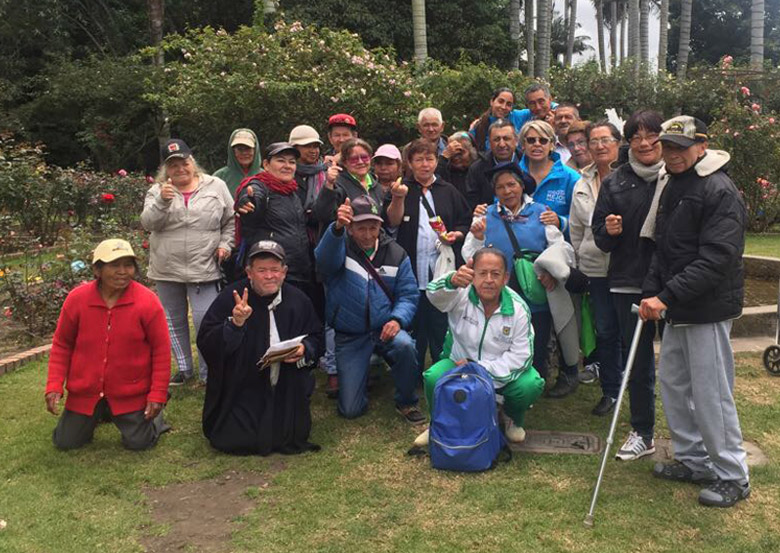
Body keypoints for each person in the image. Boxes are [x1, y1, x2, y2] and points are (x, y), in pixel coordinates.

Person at [639, 116, 750, 508]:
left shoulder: (719, 190)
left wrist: (666, 296)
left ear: (701, 146)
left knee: (711, 394)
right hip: (677, 307)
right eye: (667, 147)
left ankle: (733, 475)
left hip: (705, 308)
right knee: (673, 385)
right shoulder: (673, 184)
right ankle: (694, 460)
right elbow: (664, 246)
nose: (672, 154)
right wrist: (652, 290)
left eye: (680, 148)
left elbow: (716, 259)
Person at [198, 240, 324, 455]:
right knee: (234, 440)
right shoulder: (231, 297)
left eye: (275, 270)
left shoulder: (298, 299)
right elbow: (207, 342)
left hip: (286, 383)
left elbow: (317, 338)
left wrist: (304, 348)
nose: (269, 276)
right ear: (249, 272)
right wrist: (235, 324)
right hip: (244, 385)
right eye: (262, 270)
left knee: (290, 435)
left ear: (284, 272)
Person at [45, 239, 171, 450]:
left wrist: (157, 394)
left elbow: (161, 351)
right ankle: (102, 411)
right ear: (97, 270)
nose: (123, 271)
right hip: (85, 391)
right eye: (114, 265)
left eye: (128, 265)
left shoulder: (148, 302)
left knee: (140, 443)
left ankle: (153, 418)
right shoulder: (76, 299)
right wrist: (54, 385)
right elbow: (62, 345)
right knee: (65, 442)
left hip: (130, 391)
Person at [592, 109, 666, 460]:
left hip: (674, 284)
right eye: (636, 137)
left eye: (651, 135)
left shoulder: (677, 175)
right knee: (637, 363)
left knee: (684, 363)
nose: (644, 142)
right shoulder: (615, 182)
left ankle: (694, 434)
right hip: (627, 282)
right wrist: (610, 231)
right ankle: (643, 431)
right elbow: (600, 238)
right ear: (628, 143)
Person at [416, 248, 545, 446]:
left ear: (506, 278)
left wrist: (479, 368)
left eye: (495, 274)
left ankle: (512, 418)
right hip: (457, 363)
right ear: (472, 274)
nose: (488, 280)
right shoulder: (460, 293)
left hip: (496, 369)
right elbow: (433, 296)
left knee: (530, 384)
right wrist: (451, 281)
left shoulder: (518, 309)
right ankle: (438, 422)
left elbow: (522, 356)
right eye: (482, 273)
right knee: (433, 377)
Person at [461, 162, 571, 394]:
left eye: (511, 185)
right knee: (499, 339)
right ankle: (498, 384)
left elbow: (559, 247)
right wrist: (479, 237)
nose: (507, 191)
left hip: (534, 288)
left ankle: (532, 385)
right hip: (497, 293)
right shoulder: (484, 216)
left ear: (521, 186)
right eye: (500, 187)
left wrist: (551, 272)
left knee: (537, 338)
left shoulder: (542, 212)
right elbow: (469, 255)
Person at [315, 195, 423, 423]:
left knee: (405, 346)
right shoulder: (339, 246)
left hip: (385, 328)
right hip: (350, 335)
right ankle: (361, 379)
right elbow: (323, 262)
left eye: (372, 227)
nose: (367, 234)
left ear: (380, 226)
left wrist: (397, 320)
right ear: (350, 228)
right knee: (350, 410)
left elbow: (409, 294)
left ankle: (406, 400)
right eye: (360, 228)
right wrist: (335, 229)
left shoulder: (396, 253)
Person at [141, 138, 235, 386]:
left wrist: (226, 244)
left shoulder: (216, 186)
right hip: (166, 268)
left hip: (204, 266)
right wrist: (162, 201)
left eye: (184, 162)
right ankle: (184, 369)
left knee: (206, 320)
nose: (180, 168)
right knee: (173, 320)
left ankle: (209, 370)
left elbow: (231, 221)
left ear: (192, 162)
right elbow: (148, 223)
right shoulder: (157, 191)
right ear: (166, 169)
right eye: (173, 165)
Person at [385, 139, 472, 373]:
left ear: (436, 160)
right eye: (419, 159)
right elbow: (391, 222)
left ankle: (442, 372)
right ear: (410, 163)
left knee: (440, 325)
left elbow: (466, 220)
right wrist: (397, 198)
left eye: (430, 158)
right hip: (411, 270)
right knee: (414, 326)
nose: (425, 164)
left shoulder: (448, 190)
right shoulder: (401, 188)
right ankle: (411, 374)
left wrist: (458, 233)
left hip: (441, 271)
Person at [569, 121, 622, 415]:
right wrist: (580, 259)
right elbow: (576, 230)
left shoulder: (632, 178)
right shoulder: (582, 182)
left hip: (628, 267)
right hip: (595, 267)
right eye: (594, 141)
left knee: (630, 331)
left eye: (606, 139)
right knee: (605, 330)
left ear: (617, 142)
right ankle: (611, 391)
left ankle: (637, 385)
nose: (600, 146)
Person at [235, 142, 315, 299]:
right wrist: (247, 201)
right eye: (281, 160)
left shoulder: (292, 191)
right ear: (266, 164)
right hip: (271, 275)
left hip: (297, 272)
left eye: (291, 162)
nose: (287, 166)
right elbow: (252, 197)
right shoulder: (259, 186)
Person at [518, 120, 580, 239]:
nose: (537, 144)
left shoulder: (571, 178)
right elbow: (500, 208)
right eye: (531, 140)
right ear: (523, 145)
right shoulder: (512, 175)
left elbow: (583, 219)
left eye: (543, 140)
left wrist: (560, 222)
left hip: (556, 251)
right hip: (519, 249)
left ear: (552, 145)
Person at [313, 138, 385, 227]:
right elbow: (322, 216)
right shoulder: (337, 184)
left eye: (364, 157)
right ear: (345, 162)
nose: (360, 162)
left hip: (371, 239)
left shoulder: (377, 186)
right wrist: (328, 185)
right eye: (354, 159)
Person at [470, 84, 557, 153]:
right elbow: (466, 139)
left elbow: (544, 106)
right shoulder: (480, 125)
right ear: (492, 101)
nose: (504, 107)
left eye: (509, 104)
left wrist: (556, 110)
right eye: (500, 101)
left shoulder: (518, 116)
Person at [465, 119, 523, 209]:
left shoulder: (527, 163)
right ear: (489, 143)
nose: (502, 144)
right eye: (496, 139)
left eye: (506, 138)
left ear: (516, 141)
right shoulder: (477, 169)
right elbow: (471, 203)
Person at [213, 128, 261, 197]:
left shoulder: (265, 176)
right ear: (233, 152)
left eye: (248, 148)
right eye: (240, 149)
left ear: (255, 150)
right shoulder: (220, 176)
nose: (244, 153)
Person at [436, 131, 477, 199]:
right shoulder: (446, 171)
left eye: (460, 153)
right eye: (452, 154)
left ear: (471, 152)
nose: (456, 158)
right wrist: (444, 157)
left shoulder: (479, 169)